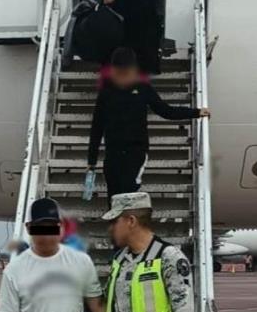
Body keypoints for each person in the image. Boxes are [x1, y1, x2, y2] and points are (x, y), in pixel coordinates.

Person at [88, 47, 210, 206]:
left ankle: (129, 225)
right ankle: (117, 228)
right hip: (113, 151)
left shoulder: (143, 89)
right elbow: (97, 127)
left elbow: (166, 111)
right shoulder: (106, 93)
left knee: (128, 191)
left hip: (136, 150)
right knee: (113, 195)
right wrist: (92, 160)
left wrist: (196, 112)